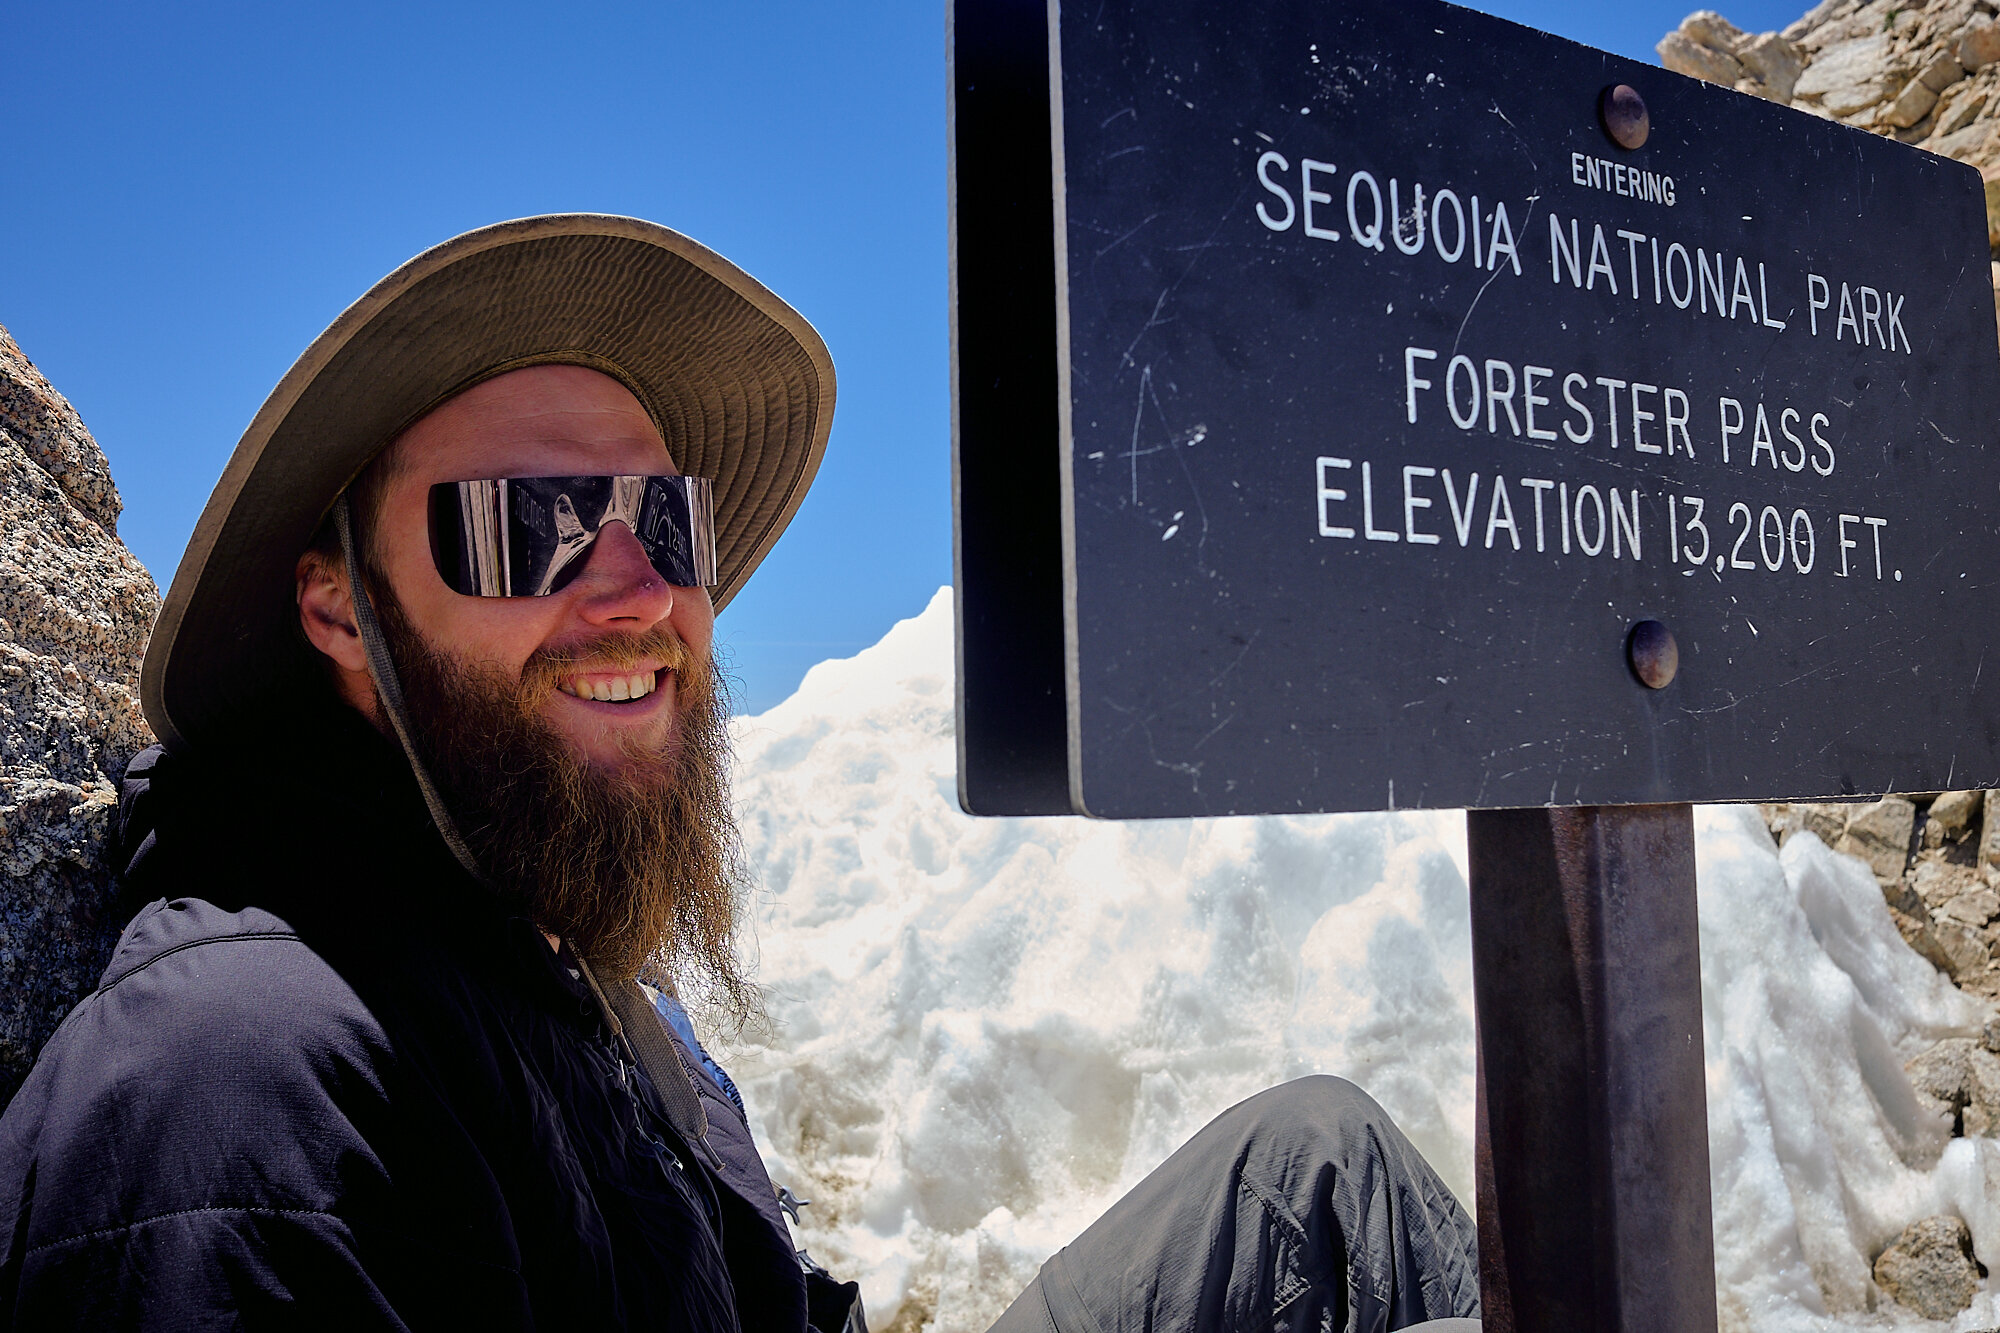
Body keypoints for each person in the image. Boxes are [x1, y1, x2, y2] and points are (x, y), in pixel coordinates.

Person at [0, 216, 1480, 1331]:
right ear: (338, 607)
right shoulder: (243, 1074)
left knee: (1315, 1177)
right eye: (534, 526)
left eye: (664, 519)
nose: (637, 590)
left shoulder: (547, 965)